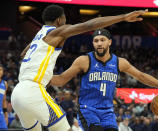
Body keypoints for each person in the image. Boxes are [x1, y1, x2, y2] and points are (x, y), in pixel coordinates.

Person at [10, 4, 148, 131]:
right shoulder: (57, 31)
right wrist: (123, 17)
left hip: (17, 93)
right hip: (33, 91)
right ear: (59, 20)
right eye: (64, 18)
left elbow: (23, 54)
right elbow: (89, 25)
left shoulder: (39, 35)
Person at [50, 29, 158, 131]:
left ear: (109, 42)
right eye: (96, 41)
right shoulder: (84, 60)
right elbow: (61, 80)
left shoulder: (119, 62)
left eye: (102, 40)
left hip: (108, 112)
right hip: (88, 110)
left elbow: (141, 76)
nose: (99, 43)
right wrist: (38, 78)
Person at [0, 64, 8, 130]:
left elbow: (4, 100)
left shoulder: (5, 83)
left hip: (1, 114)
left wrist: (6, 115)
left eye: (0, 70)